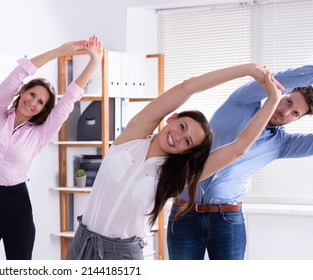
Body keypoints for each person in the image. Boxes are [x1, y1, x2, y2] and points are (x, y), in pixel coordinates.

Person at [65, 63, 284, 260]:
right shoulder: (133, 136)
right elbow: (187, 87)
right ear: (173, 117)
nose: (178, 137)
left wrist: (273, 101)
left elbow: (238, 148)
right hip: (83, 242)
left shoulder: (174, 176)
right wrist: (247, 69)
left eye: (187, 141)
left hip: (122, 255)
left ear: (185, 151)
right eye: (181, 127)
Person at [166, 63, 313, 260]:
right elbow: (280, 78)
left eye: (295, 113)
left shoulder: (281, 144)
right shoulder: (242, 102)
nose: (285, 111)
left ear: (297, 120)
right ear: (283, 92)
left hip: (227, 221)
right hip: (184, 214)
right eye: (289, 101)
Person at [0, 36, 103, 260]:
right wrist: (59, 50)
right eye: (32, 94)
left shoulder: (39, 133)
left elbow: (69, 100)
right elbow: (17, 74)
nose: (33, 102)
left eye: (41, 102)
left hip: (16, 205)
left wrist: (94, 61)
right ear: (23, 92)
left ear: (43, 110)